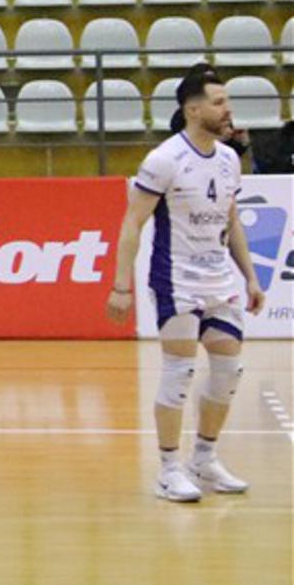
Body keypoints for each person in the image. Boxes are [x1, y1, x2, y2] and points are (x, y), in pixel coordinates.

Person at [103, 67, 265, 504]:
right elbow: (132, 223)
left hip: (220, 281)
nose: (227, 110)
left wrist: (250, 277)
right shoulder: (164, 160)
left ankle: (204, 459)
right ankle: (169, 468)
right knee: (179, 372)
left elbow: (232, 222)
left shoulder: (228, 159)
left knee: (228, 371)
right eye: (219, 102)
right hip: (176, 281)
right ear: (193, 110)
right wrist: (121, 285)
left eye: (227, 101)